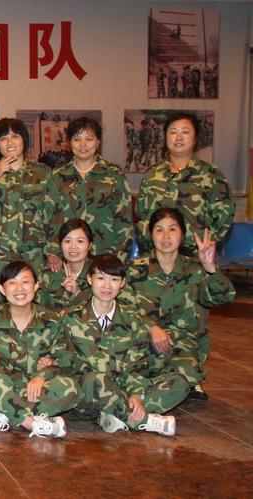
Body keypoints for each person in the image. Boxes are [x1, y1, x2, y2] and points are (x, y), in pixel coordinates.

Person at [57, 255, 185, 436]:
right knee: (94, 379)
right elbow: (66, 362)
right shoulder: (69, 318)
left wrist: (136, 395)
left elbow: (136, 366)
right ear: (89, 279)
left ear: (123, 283)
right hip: (88, 396)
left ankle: (116, 414)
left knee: (179, 383)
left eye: (114, 279)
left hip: (122, 389)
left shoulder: (132, 320)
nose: (107, 286)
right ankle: (142, 420)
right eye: (101, 278)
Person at [126, 208, 235, 400]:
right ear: (151, 234)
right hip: (143, 343)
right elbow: (122, 308)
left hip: (182, 346)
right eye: (159, 229)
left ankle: (157, 387)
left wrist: (210, 267)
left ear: (182, 235)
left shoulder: (195, 270)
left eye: (172, 229)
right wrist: (152, 327)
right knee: (124, 370)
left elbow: (224, 298)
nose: (166, 236)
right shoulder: (134, 270)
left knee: (187, 376)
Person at [0, 261, 79, 438]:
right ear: (2, 289)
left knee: (70, 387)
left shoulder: (51, 320)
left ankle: (3, 413)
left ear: (36, 286)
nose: (19, 288)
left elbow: (65, 360)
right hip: (1, 388)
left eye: (25, 282)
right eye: (12, 283)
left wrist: (42, 376)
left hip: (33, 392)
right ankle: (29, 422)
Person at [136, 111, 235, 255]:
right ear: (165, 137)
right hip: (157, 254)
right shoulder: (151, 174)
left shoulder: (211, 174)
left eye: (185, 132)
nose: (179, 137)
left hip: (195, 254)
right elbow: (142, 214)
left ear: (195, 138)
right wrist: (148, 237)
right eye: (173, 132)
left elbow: (225, 215)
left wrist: (206, 243)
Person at [0, 118, 61, 271]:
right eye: (3, 138)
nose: (9, 142)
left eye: (15, 136)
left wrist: (52, 251)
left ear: (24, 140)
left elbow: (55, 214)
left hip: (33, 257)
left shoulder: (42, 173)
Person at [53, 117, 132, 262]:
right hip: (68, 256)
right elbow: (51, 220)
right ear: (69, 142)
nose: (83, 144)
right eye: (77, 139)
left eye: (89, 139)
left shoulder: (113, 174)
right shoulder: (57, 176)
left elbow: (124, 220)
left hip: (105, 256)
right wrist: (53, 253)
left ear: (98, 142)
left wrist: (119, 259)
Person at [37, 219, 93, 311]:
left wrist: (77, 293)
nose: (73, 247)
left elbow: (101, 312)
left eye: (80, 241)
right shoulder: (49, 274)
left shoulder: (100, 274)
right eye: (67, 241)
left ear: (90, 245)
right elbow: (36, 310)